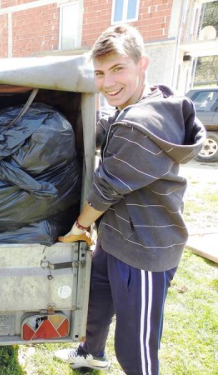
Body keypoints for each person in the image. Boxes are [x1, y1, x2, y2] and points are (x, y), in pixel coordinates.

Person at [55, 24, 205, 374]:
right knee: (96, 305)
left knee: (135, 344)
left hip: (145, 249)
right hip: (117, 238)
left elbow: (106, 189)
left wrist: (79, 227)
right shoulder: (143, 102)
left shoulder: (140, 125)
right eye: (100, 73)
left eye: (118, 69)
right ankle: (90, 353)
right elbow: (108, 127)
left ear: (143, 64)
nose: (107, 83)